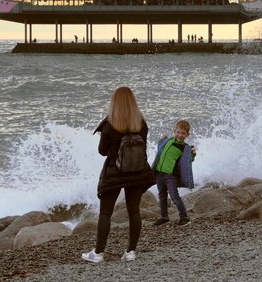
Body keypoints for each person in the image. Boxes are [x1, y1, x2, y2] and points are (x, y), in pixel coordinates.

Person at [81, 87, 155, 263]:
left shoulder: (109, 124)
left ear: (114, 103)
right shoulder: (141, 124)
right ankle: (130, 252)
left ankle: (98, 253)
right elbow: (143, 147)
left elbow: (102, 151)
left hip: (114, 174)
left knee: (105, 213)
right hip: (137, 173)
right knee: (134, 211)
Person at [151, 120, 196, 226]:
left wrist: (193, 154)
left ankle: (184, 217)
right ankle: (164, 217)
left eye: (183, 133)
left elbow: (187, 161)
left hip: (170, 176)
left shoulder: (184, 147)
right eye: (178, 132)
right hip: (159, 173)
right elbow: (160, 151)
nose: (180, 135)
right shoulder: (169, 141)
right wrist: (161, 141)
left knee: (174, 196)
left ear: (187, 134)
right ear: (174, 131)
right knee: (162, 196)